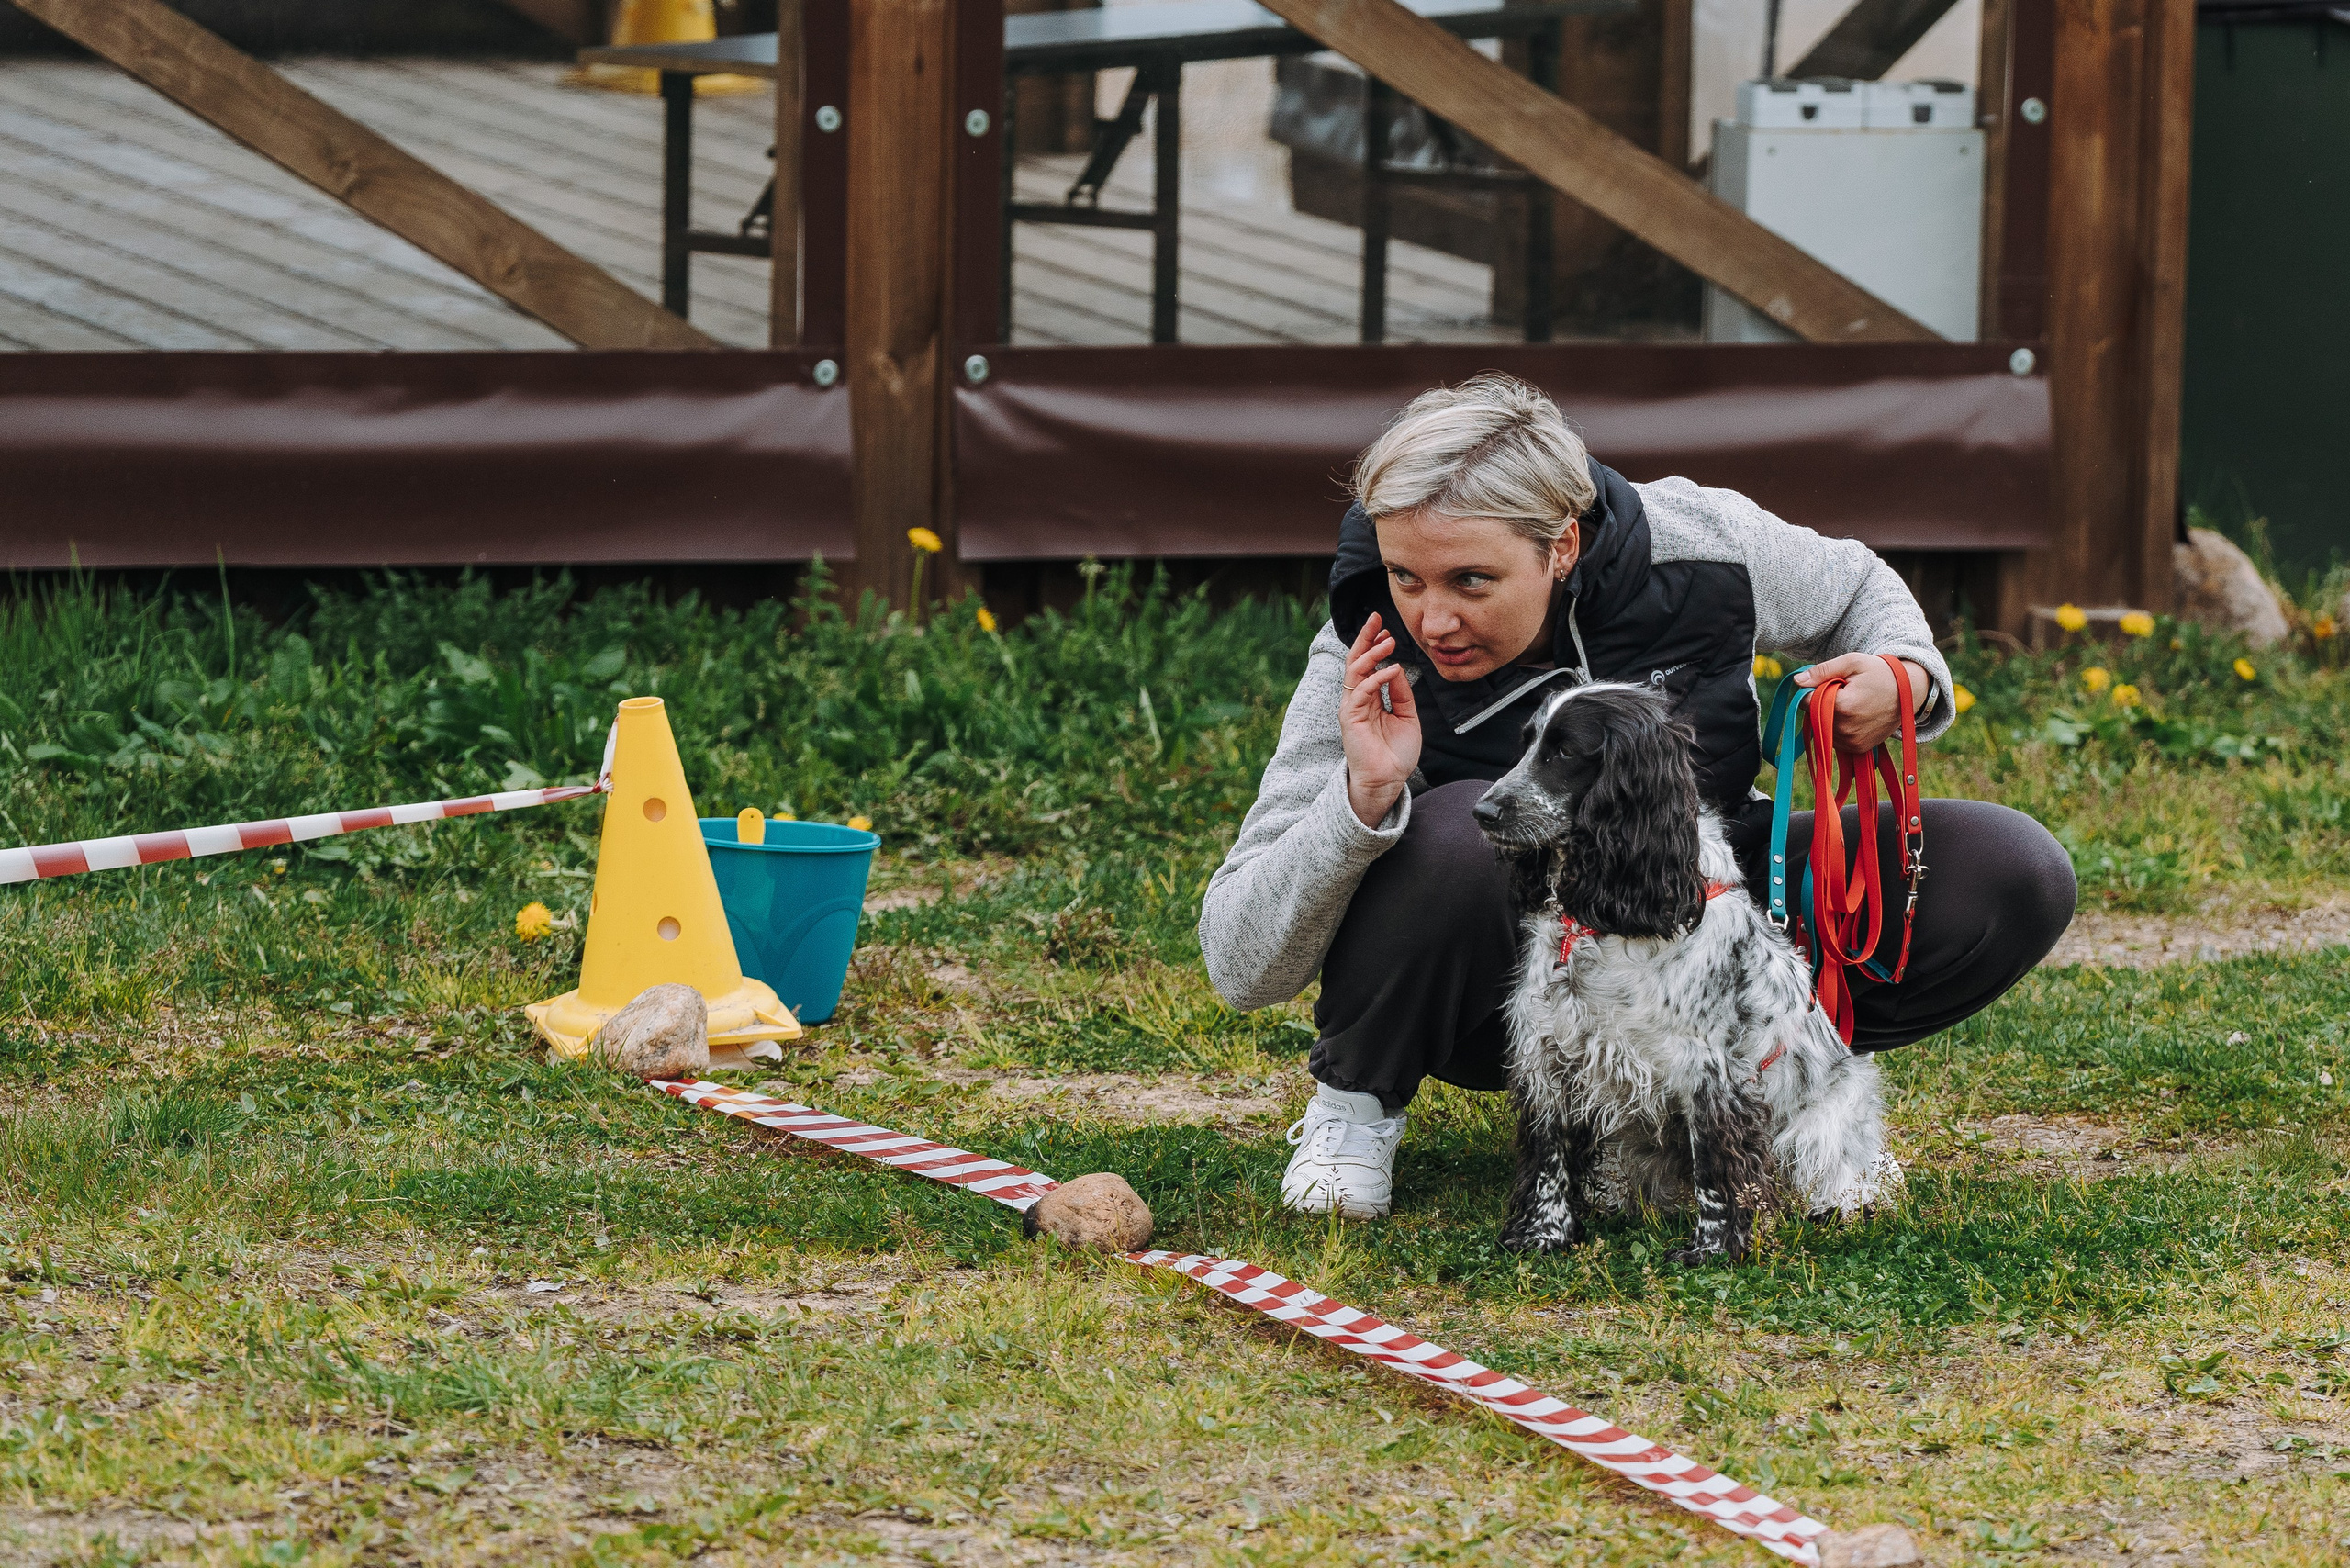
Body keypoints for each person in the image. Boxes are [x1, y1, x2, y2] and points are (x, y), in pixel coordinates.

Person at [1198, 374, 2076, 1219]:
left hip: (1700, 918)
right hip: (1503, 992)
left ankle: (1781, 1092)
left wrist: (1905, 675)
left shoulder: (1703, 541)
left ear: (1562, 546)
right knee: (1464, 834)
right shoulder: (1366, 649)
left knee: (2013, 869)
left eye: (1471, 581)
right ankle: (1355, 1111)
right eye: (1405, 575)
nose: (1432, 620)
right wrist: (1362, 798)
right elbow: (1242, 966)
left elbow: (1856, 585)